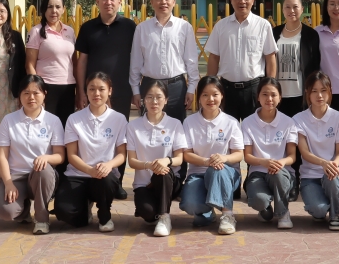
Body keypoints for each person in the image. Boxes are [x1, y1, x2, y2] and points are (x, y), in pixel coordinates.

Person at [76, 0, 137, 200]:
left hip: (121, 91)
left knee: (119, 137)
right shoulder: (88, 28)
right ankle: (89, 177)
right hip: (93, 93)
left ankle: (116, 182)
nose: (108, 2)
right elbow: (82, 61)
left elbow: (138, 58)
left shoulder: (130, 27)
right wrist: (81, 90)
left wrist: (136, 89)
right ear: (97, 2)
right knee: (93, 136)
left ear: (120, 2)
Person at [55, 72, 128, 232]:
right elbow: (71, 155)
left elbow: (122, 154)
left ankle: (104, 215)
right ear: (86, 91)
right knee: (64, 212)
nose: (96, 93)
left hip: (104, 176)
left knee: (106, 179)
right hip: (78, 174)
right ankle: (85, 209)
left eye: (101, 89)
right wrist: (89, 170)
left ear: (110, 91)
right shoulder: (74, 119)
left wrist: (109, 165)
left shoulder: (119, 119)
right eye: (92, 89)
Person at [0, 75, 65, 235]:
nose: (31, 97)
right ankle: (23, 211)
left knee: (43, 169)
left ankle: (41, 219)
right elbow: (2, 156)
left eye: (36, 93)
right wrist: (8, 183)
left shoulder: (53, 121)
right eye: (26, 93)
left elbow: (60, 156)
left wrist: (46, 158)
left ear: (44, 94)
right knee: (6, 212)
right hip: (16, 177)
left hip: (41, 177)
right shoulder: (9, 120)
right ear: (20, 95)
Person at [179, 76, 244, 235]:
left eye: (215, 94)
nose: (211, 99)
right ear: (199, 97)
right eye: (205, 95)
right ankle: (207, 213)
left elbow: (239, 154)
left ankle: (228, 215)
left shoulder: (231, 122)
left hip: (226, 173)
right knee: (190, 204)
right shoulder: (189, 122)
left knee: (218, 170)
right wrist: (206, 161)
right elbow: (186, 154)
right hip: (198, 174)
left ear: (222, 96)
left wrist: (224, 158)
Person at [205, 0, 277, 122]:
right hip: (226, 89)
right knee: (225, 129)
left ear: (253, 0)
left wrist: (270, 85)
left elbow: (270, 57)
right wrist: (211, 86)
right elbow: (214, 57)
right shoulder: (220, 26)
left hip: (253, 89)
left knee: (255, 129)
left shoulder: (263, 25)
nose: (242, 1)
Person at [271, 0, 320, 200]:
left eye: (296, 7)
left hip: (300, 96)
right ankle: (284, 179)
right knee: (282, 140)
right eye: (288, 7)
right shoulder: (274, 32)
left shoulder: (310, 34)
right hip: (278, 98)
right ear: (282, 10)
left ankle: (297, 180)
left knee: (299, 140)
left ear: (302, 9)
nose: (292, 11)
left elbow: (315, 65)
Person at [129, 0, 200, 123]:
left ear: (173, 2)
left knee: (177, 128)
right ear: (152, 3)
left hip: (176, 88)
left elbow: (191, 61)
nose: (163, 2)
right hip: (149, 86)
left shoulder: (184, 27)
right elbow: (135, 63)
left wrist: (191, 89)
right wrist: (136, 91)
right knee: (148, 128)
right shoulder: (142, 28)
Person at [126, 80, 187, 237]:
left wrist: (166, 161)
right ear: (143, 100)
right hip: (144, 184)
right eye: (149, 97)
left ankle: (164, 217)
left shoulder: (175, 124)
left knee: (162, 172)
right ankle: (155, 211)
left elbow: (179, 158)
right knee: (147, 212)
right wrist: (149, 165)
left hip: (168, 181)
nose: (154, 101)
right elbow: (132, 161)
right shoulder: (133, 126)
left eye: (159, 97)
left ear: (166, 100)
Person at [293, 71, 339, 231]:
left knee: (333, 176)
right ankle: (325, 205)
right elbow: (304, 153)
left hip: (335, 172)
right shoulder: (298, 119)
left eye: (323, 90)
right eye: (314, 91)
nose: (319, 95)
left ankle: (336, 213)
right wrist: (323, 163)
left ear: (330, 92)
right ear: (307, 93)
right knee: (318, 210)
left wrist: (333, 165)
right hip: (310, 175)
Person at [241, 77, 298, 230]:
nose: (269, 99)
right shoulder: (247, 122)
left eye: (273, 95)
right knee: (258, 200)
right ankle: (265, 210)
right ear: (258, 97)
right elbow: (247, 156)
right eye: (265, 94)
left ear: (280, 98)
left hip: (282, 171)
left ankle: (283, 213)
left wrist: (281, 162)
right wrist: (263, 162)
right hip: (258, 172)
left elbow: (292, 156)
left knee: (278, 175)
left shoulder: (288, 122)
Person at [26, 0, 76, 128]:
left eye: (58, 7)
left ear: (63, 9)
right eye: (49, 7)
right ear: (44, 9)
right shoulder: (36, 31)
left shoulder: (70, 31)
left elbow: (74, 62)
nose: (54, 11)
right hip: (46, 87)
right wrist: (36, 90)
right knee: (46, 127)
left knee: (66, 127)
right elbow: (29, 64)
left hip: (68, 87)